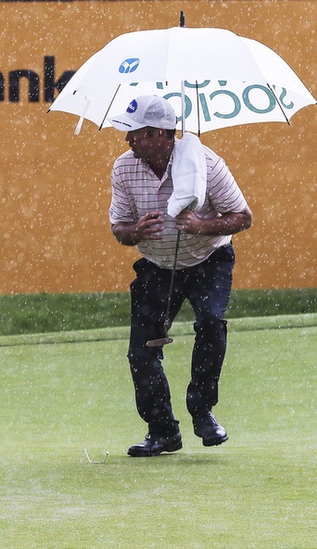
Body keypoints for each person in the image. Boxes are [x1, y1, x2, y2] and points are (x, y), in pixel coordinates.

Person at [107, 95, 252, 457]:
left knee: (211, 322)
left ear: (159, 133)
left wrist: (203, 225)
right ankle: (162, 432)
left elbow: (242, 217)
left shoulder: (207, 164)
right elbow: (119, 230)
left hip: (209, 259)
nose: (127, 140)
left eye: (134, 134)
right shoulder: (124, 168)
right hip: (156, 266)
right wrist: (136, 231)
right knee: (141, 351)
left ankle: (202, 410)